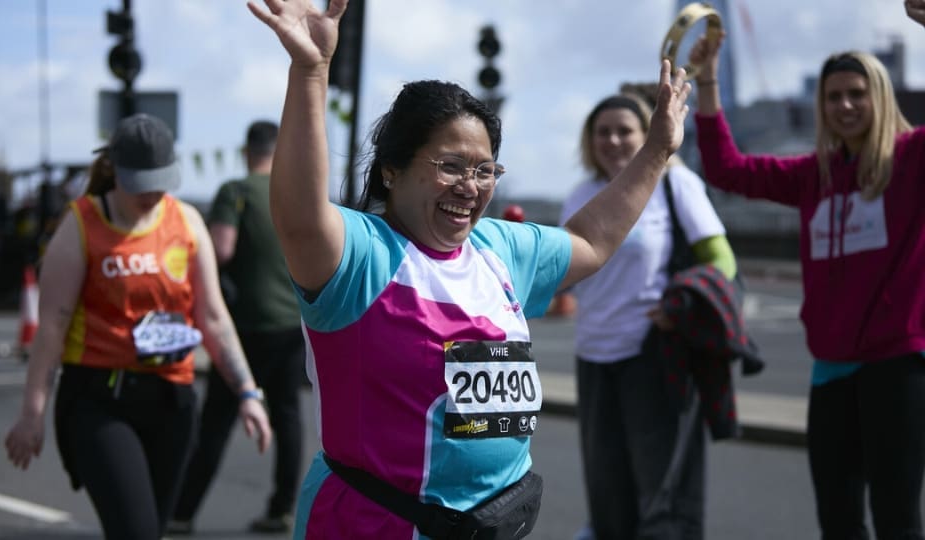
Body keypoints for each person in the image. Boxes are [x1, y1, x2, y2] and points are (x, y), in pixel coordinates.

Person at [247, 1, 691, 537]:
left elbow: (588, 240)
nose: (470, 186)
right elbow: (298, 217)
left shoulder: (499, 249)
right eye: (450, 166)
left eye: (485, 170)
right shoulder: (362, 255)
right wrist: (311, 72)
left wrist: (659, 150)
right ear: (392, 170)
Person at [689, 3, 925, 537]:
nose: (845, 105)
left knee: (897, 519)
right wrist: (707, 82)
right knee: (837, 520)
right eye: (833, 96)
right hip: (831, 368)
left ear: (880, 99)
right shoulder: (813, 176)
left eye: (856, 94)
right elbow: (728, 169)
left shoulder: (911, 160)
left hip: (898, 367)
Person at [4, 113, 272, 540]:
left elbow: (214, 317)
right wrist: (31, 414)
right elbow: (52, 327)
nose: (151, 192)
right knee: (136, 531)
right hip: (99, 400)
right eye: (141, 181)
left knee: (154, 530)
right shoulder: (81, 225)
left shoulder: (186, 222)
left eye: (160, 179)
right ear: (116, 172)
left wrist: (247, 393)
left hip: (172, 400)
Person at [560, 90, 738, 540]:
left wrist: (680, 306)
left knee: (665, 499)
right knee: (608, 496)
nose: (614, 140)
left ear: (648, 136)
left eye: (626, 131)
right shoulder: (579, 195)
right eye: (603, 132)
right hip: (594, 356)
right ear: (589, 140)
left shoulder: (675, 185)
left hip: (656, 356)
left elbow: (721, 259)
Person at [169, 120, 306, 535]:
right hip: (291, 322)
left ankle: (182, 512)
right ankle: (283, 508)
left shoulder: (236, 191)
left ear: (247, 151)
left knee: (217, 421)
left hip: (245, 323)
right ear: (277, 151)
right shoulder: (296, 192)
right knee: (288, 417)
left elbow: (222, 249)